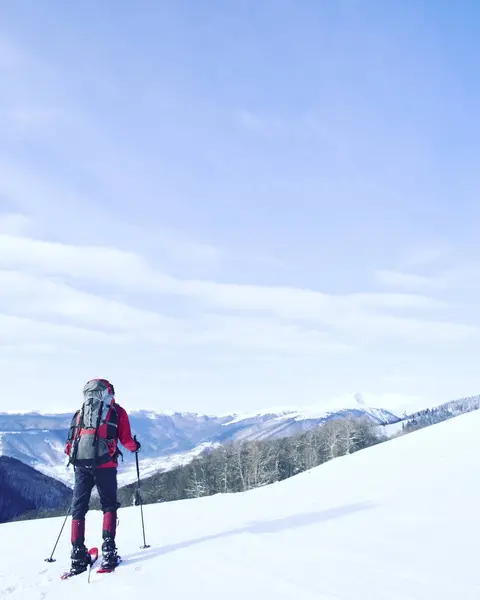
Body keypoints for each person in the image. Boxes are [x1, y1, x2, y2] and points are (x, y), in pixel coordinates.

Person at [64, 378, 141, 573]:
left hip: (82, 464)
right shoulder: (117, 411)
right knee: (108, 504)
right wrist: (135, 446)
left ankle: (77, 555)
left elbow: (69, 444)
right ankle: (108, 551)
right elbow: (125, 439)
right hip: (105, 464)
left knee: (79, 507)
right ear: (109, 393)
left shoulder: (81, 412)